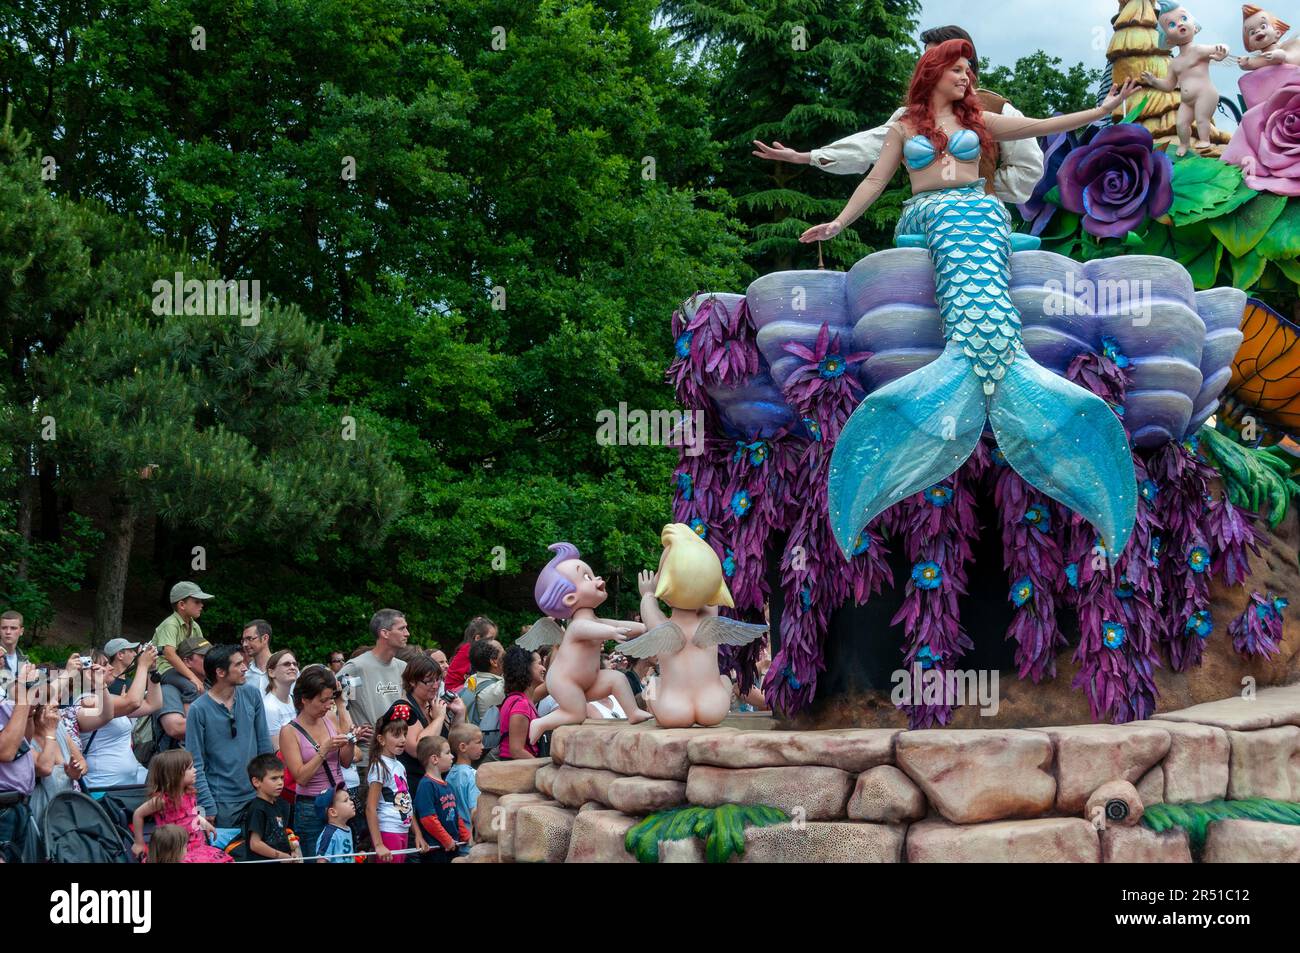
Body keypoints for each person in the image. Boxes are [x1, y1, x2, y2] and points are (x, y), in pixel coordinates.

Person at [798, 41, 1141, 557]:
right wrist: (839, 223)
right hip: (926, 212)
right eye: (957, 70)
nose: (966, 77)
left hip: (977, 211)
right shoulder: (904, 127)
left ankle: (986, 354)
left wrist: (1103, 110)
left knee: (981, 209)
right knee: (965, 213)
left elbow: (1043, 126)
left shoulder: (979, 120)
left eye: (968, 70)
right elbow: (874, 179)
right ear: (934, 72)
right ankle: (980, 354)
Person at [752, 25, 1044, 206]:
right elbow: (870, 145)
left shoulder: (998, 109)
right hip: (927, 220)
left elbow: (1029, 169)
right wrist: (806, 156)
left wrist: (984, 189)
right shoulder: (912, 116)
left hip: (984, 225)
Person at [186, 645, 273, 828]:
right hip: (222, 801)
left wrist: (269, 786)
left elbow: (264, 745)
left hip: (257, 794)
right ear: (220, 672)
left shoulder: (252, 694)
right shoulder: (198, 709)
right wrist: (207, 805)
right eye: (238, 664)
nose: (245, 668)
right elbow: (195, 762)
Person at [280, 665, 353, 862]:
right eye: (323, 700)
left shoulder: (329, 718)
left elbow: (345, 762)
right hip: (311, 807)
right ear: (304, 699)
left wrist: (351, 740)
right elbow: (301, 778)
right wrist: (324, 750)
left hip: (338, 802)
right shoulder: (289, 731)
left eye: (330, 699)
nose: (328, 705)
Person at [74, 640, 161, 789]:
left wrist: (152, 671)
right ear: (89, 672)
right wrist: (142, 665)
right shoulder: (85, 701)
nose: (111, 667)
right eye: (105, 664)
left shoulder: (107, 699)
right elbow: (133, 702)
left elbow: (153, 704)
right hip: (104, 785)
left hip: (129, 781)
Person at [337, 609, 409, 779]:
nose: (407, 633)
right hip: (368, 759)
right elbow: (339, 703)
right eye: (402, 628)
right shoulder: (357, 668)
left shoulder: (402, 667)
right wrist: (353, 732)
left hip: (397, 758)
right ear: (384, 633)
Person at [130, 749, 231, 863]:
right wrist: (139, 842)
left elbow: (191, 815)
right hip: (174, 851)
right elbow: (138, 814)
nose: (195, 770)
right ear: (174, 775)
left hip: (196, 845)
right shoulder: (162, 800)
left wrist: (204, 823)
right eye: (190, 768)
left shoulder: (188, 793)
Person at [365, 704, 424, 863]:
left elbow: (407, 802)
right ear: (381, 739)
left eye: (405, 734)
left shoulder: (400, 766)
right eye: (397, 735)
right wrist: (378, 844)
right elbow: (371, 807)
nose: (403, 739)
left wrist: (417, 834)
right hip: (387, 831)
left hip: (402, 831)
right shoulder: (379, 765)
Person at [395, 654, 460, 786]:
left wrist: (460, 713)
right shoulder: (402, 709)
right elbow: (417, 749)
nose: (436, 686)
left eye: (438, 679)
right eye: (429, 681)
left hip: (439, 783)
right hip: (416, 786)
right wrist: (440, 718)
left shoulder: (432, 705)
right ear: (412, 681)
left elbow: (456, 744)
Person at [30, 702, 85, 836]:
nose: (56, 703)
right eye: (49, 700)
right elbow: (45, 768)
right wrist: (50, 732)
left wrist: (75, 772)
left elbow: (82, 763)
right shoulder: (25, 736)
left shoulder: (59, 728)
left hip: (67, 808)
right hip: (41, 812)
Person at [412, 735, 470, 862]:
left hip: (451, 847)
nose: (452, 756)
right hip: (436, 851)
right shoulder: (426, 785)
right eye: (448, 753)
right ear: (434, 759)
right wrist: (446, 840)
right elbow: (428, 819)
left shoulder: (447, 785)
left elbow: (455, 815)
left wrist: (465, 835)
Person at [0, 664, 37, 858]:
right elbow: (6, 751)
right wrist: (23, 690)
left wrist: (28, 712)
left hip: (17, 805)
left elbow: (23, 743)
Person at [152, 636, 211, 753]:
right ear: (187, 661)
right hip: (178, 766)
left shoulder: (211, 686)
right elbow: (176, 729)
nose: (211, 659)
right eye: (204, 657)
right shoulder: (168, 690)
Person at [153, 581, 214, 694]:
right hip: (165, 669)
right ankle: (189, 712)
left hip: (185, 668)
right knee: (191, 687)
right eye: (197, 601)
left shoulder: (195, 626)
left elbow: (205, 651)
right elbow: (169, 654)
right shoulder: (170, 624)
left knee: (216, 685)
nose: (201, 605)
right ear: (182, 605)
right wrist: (193, 677)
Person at [243, 753, 300, 862]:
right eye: (274, 778)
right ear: (256, 782)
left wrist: (291, 852)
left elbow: (280, 837)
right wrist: (282, 856)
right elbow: (255, 844)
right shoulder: (257, 808)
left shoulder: (279, 805)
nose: (280, 783)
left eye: (282, 778)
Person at [498, 647, 546, 760]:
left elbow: (552, 685)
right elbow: (517, 751)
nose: (544, 668)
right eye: (539, 663)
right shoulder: (521, 704)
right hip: (517, 769)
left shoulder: (519, 698)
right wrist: (543, 768)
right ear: (526, 668)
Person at [459, 639, 504, 753]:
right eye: (503, 654)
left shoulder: (471, 679)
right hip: (491, 751)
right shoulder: (497, 689)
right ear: (494, 661)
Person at [445, 723, 482, 829]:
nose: (482, 746)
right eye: (479, 742)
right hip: (471, 835)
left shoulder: (450, 774)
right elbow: (475, 811)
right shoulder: (473, 775)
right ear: (463, 747)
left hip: (458, 834)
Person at [444, 616, 496, 693]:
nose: (493, 643)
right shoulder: (469, 650)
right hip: (454, 692)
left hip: (459, 689)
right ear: (477, 638)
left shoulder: (468, 648)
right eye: (490, 639)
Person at [262, 650, 300, 746]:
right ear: (271, 673)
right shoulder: (269, 707)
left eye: (295, 664)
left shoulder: (294, 700)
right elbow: (278, 750)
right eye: (286, 664)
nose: (292, 667)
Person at [313, 784, 356, 863]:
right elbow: (321, 860)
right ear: (333, 812)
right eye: (346, 800)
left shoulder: (348, 829)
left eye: (350, 799)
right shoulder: (328, 834)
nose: (352, 802)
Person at [0, 611, 28, 701]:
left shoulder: (25, 662)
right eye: (4, 628)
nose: (8, 632)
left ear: (21, 631)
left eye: (13, 628)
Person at [240, 620, 273, 693]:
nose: (244, 644)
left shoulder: (284, 667)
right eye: (243, 640)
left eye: (249, 639)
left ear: (265, 638)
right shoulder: (245, 673)